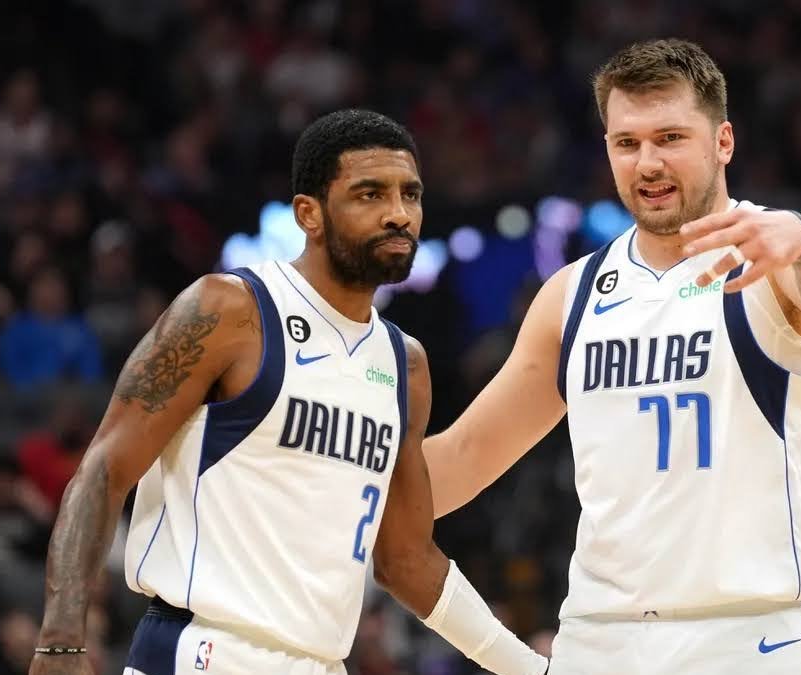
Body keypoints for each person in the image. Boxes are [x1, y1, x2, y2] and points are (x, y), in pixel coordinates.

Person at [29, 109, 548, 675]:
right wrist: (60, 638)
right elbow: (104, 469)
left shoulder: (405, 365)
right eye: (369, 195)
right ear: (310, 214)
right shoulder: (229, 310)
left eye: (410, 195)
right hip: (204, 650)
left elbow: (406, 559)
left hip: (321, 662)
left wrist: (529, 668)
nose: (399, 214)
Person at [423, 39, 801, 674]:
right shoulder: (571, 295)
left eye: (671, 138)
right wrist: (321, 489)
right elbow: (463, 457)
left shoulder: (771, 254)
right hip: (599, 639)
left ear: (723, 143)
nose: (648, 162)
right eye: (627, 143)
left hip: (750, 638)